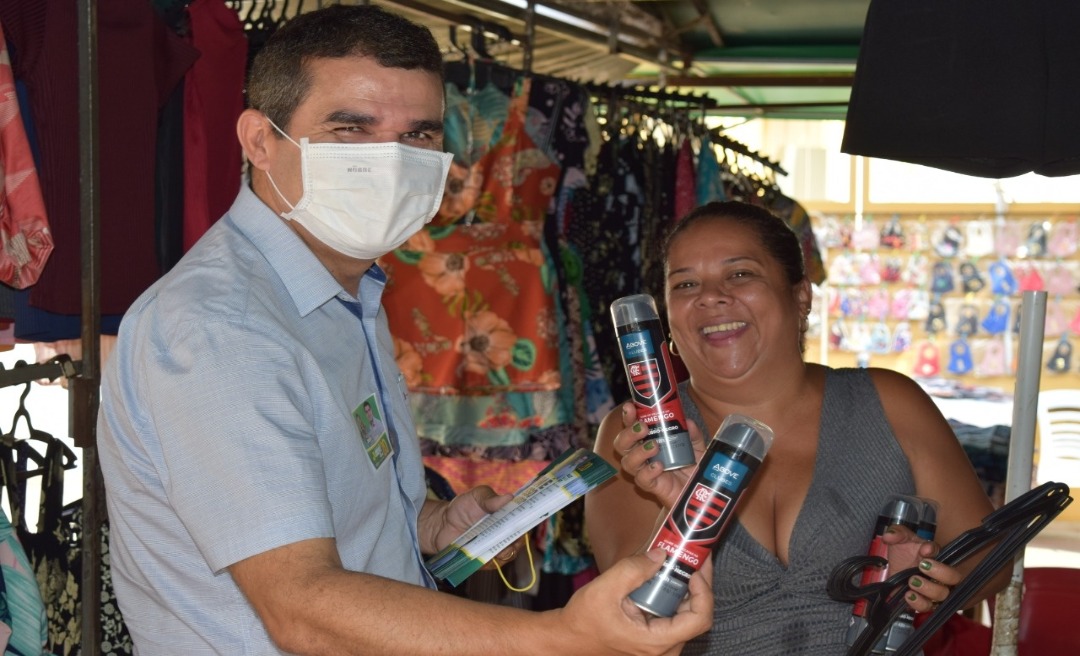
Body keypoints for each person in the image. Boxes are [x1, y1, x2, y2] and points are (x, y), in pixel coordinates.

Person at [96, 5, 713, 655]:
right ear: (259, 140)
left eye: (417, 136)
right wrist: (561, 635)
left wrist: (430, 525)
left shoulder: (345, 290)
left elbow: (323, 503)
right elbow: (301, 608)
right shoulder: (225, 332)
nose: (387, 162)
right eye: (351, 129)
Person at [584, 201, 1011, 654]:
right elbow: (624, 623)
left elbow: (993, 562)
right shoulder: (635, 438)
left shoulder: (891, 404)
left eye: (740, 274)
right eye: (686, 284)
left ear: (801, 296)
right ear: (666, 318)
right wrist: (673, 508)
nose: (710, 296)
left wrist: (935, 577)